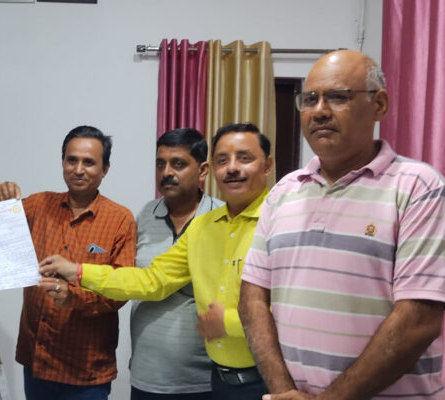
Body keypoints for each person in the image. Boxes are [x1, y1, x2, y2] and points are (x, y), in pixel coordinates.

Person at [239, 50, 445, 400]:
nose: (319, 111)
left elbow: (418, 321)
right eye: (309, 99)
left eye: (337, 97)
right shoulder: (283, 192)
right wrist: (283, 390)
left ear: (379, 105)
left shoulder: (419, 187)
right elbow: (252, 299)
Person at [40, 123, 274, 400]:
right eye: (223, 160)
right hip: (187, 378)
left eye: (244, 158)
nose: (232, 168)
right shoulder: (202, 227)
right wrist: (78, 271)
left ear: (267, 166)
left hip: (257, 378)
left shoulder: (281, 221)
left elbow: (293, 311)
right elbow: (151, 280)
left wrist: (229, 323)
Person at [0, 125, 136, 400]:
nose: (78, 169)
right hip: (37, 360)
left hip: (86, 368)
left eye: (89, 162)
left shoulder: (120, 219)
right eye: (71, 160)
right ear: (62, 162)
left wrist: (73, 296)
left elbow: (122, 289)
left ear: (105, 169)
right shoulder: (39, 205)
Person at [131, 128, 223, 400]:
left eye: (178, 164)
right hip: (145, 375)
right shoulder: (146, 215)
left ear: (203, 170)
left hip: (202, 381)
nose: (166, 172)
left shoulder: (222, 218)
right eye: (160, 164)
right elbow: (133, 280)